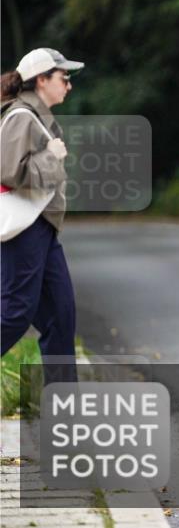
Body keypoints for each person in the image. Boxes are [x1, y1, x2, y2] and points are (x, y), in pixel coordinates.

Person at [1, 48, 84, 383]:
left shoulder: (35, 116)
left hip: (42, 229)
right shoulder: (21, 116)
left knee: (60, 316)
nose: (68, 85)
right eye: (63, 78)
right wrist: (52, 156)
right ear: (41, 80)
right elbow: (8, 170)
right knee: (16, 312)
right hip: (24, 230)